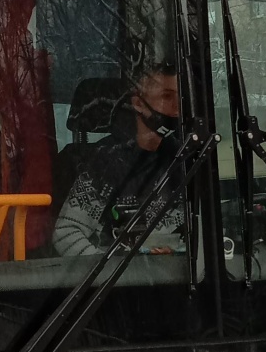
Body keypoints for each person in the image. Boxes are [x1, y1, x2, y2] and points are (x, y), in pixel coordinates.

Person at [52, 66, 181, 257]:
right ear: (138, 102)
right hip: (118, 281)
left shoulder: (184, 158)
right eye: (167, 96)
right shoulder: (104, 162)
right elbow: (66, 234)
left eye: (180, 97)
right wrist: (109, 272)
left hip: (177, 280)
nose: (177, 106)